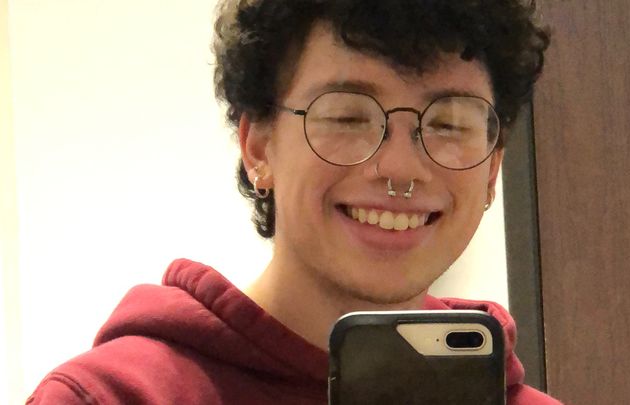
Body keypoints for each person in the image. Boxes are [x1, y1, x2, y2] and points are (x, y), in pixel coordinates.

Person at [27, 0, 559, 404]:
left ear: (492, 168)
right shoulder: (111, 397)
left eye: (449, 123)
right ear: (258, 147)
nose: (400, 168)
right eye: (347, 117)